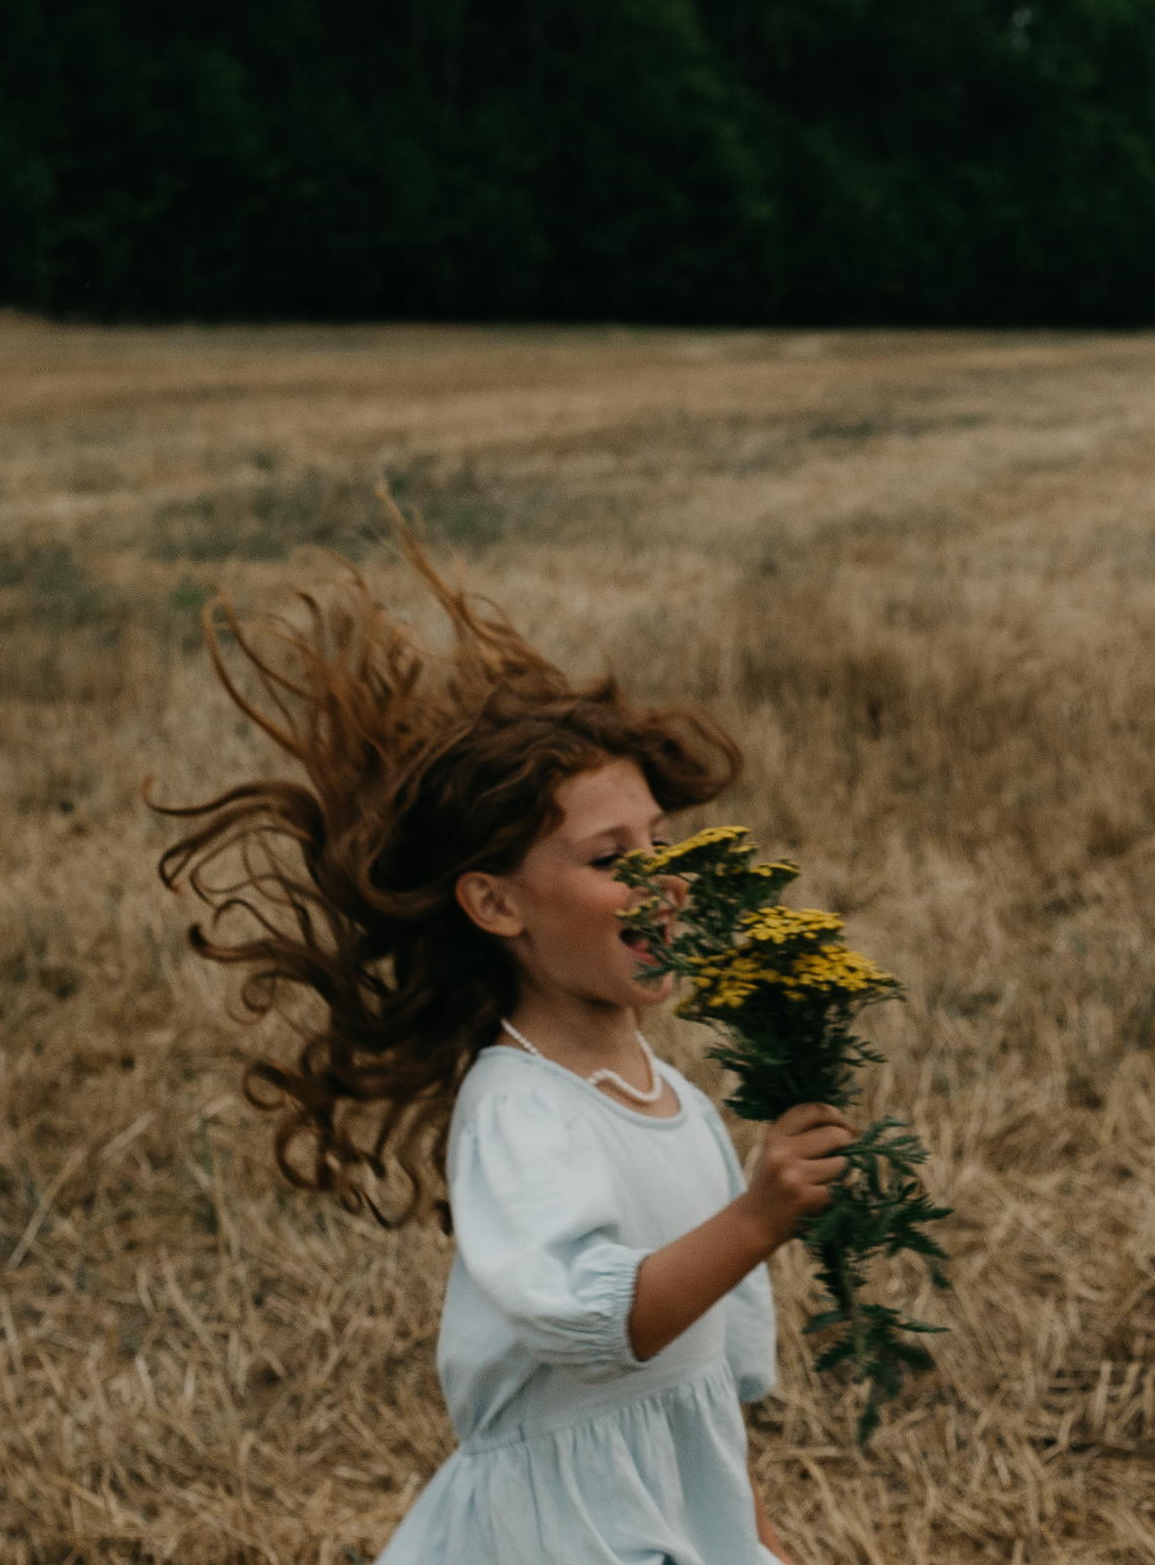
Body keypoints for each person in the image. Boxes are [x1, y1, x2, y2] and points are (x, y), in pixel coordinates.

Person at [155, 532, 852, 1564]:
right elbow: (595, 1323)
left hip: (666, 1516)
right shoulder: (519, 1107)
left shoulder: (681, 1104)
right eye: (613, 858)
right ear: (494, 900)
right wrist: (758, 1215)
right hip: (558, 1530)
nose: (664, 880)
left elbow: (704, 1385)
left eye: (663, 844)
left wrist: (751, 1535)